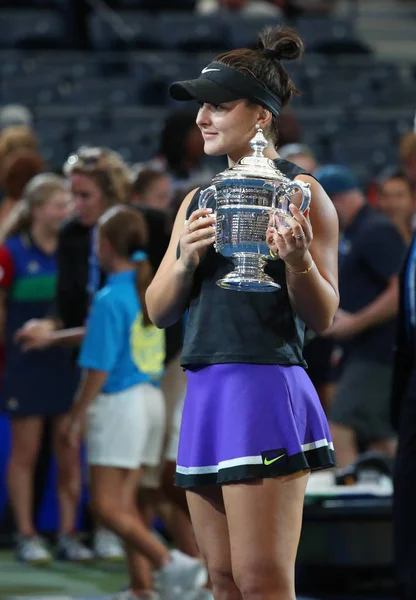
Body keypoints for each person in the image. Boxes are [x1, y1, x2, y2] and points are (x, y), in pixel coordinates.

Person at [146, 26, 339, 600]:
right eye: (201, 106)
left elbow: (325, 314)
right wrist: (184, 261)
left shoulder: (302, 191)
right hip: (205, 387)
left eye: (217, 105)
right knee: (224, 580)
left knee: (262, 580)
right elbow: (158, 312)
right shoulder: (197, 199)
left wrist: (298, 260)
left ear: (261, 115)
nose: (202, 118)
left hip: (263, 385)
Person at [67, 205, 205, 600]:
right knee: (129, 504)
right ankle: (143, 588)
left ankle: (175, 566)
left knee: (108, 508)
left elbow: (98, 368)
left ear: (105, 246)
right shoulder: (147, 289)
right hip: (148, 402)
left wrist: (73, 419)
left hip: (119, 406)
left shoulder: (110, 297)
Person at [0, 174, 92, 563]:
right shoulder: (11, 253)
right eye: (59, 203)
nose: (66, 210)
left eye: (69, 203)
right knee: (26, 451)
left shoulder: (76, 251)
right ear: (37, 210)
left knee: (68, 451)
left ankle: (69, 534)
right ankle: (26, 534)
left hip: (68, 364)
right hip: (24, 366)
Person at [317, 165, 407, 468]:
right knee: (379, 438)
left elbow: (402, 290)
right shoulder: (357, 231)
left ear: (337, 200)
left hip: (378, 351)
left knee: (340, 428)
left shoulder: (375, 231)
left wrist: (355, 323)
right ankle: (393, 506)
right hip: (365, 351)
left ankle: (352, 508)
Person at [376, 169, 415, 245]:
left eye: (399, 196)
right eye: (386, 196)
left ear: (413, 201)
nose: (392, 204)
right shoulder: (368, 240)